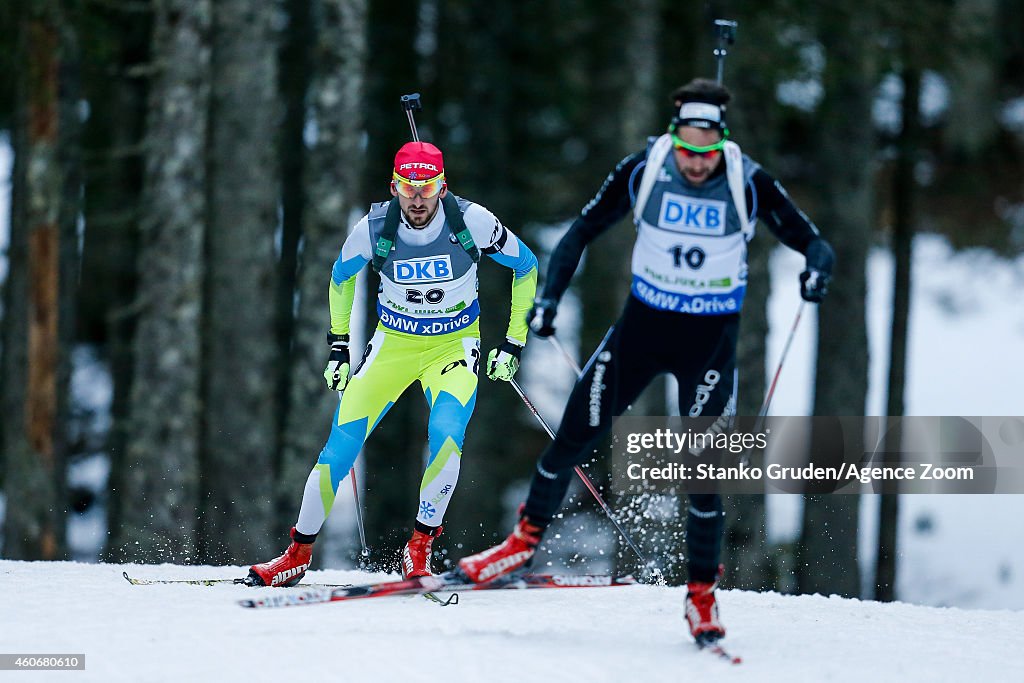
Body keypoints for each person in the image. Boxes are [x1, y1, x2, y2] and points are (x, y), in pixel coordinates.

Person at [457, 79, 834, 644]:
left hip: (709, 344)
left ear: (721, 143)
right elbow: (582, 229)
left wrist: (817, 270)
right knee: (574, 436)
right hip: (640, 332)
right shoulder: (644, 167)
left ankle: (702, 596)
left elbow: (813, 241)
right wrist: (550, 296)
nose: (696, 163)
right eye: (688, 150)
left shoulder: (746, 179)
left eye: (707, 152)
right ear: (673, 136)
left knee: (704, 472)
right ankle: (521, 545)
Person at [248, 141, 538, 587]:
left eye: (427, 188)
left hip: (453, 348)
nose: (417, 199)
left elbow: (526, 265)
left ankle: (419, 548)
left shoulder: (472, 221)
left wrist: (513, 343)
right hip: (393, 347)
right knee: (337, 450)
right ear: (394, 186)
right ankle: (297, 553)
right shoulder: (373, 226)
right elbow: (340, 278)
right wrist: (339, 347)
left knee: (445, 437)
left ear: (443, 187)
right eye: (408, 188)